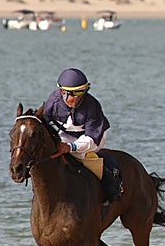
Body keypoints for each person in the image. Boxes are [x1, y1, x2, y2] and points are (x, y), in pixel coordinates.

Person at [40, 67, 124, 202]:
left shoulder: (92, 105)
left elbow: (91, 139)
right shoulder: (53, 102)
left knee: (79, 153)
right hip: (68, 134)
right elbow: (43, 122)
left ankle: (109, 183)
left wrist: (70, 147)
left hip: (94, 136)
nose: (79, 99)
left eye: (82, 94)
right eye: (75, 95)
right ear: (63, 92)